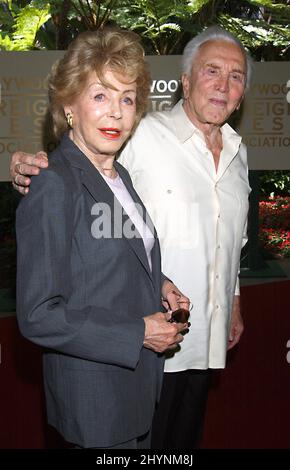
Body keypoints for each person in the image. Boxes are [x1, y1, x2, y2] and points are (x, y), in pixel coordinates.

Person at [11, 25, 251, 449]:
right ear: (70, 104)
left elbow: (121, 253)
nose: (116, 112)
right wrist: (137, 333)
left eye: (126, 99)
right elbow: (38, 315)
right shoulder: (56, 181)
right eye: (100, 95)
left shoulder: (118, 175)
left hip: (137, 388)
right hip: (95, 402)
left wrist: (161, 284)